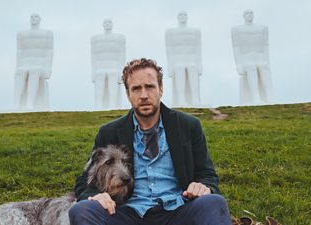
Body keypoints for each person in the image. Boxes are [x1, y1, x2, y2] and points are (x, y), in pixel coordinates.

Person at [69, 58, 232, 225]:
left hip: (178, 212)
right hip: (126, 214)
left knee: (214, 203)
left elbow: (207, 174)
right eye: (136, 89)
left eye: (150, 86)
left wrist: (203, 186)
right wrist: (95, 195)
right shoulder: (109, 132)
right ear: (128, 94)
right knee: (81, 210)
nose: (144, 95)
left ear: (161, 89)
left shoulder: (188, 126)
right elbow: (84, 181)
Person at [231, 9, 272, 105]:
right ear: (243, 16)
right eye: (247, 13)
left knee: (263, 67)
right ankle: (255, 97)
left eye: (251, 13)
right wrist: (238, 64)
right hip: (246, 59)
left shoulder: (263, 28)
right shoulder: (237, 29)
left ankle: (269, 96)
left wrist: (267, 61)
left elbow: (265, 47)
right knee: (251, 67)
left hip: (259, 57)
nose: (249, 15)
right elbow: (236, 47)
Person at [14, 13, 53, 111]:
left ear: (39, 19)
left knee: (34, 71)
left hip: (40, 66)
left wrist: (48, 68)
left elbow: (49, 51)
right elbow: (19, 52)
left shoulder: (47, 33)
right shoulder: (21, 34)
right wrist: (18, 66)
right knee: (20, 72)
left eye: (35, 17)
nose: (33, 19)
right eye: (31, 17)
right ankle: (16, 103)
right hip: (26, 64)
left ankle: (30, 103)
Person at [165, 11, 202, 107]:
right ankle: (181, 99)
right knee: (179, 69)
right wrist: (170, 66)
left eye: (185, 15)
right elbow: (169, 49)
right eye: (181, 15)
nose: (183, 17)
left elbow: (198, 48)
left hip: (191, 60)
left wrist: (200, 64)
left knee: (193, 69)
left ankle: (195, 99)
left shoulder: (195, 31)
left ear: (187, 17)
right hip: (178, 60)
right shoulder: (170, 32)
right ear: (178, 17)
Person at [91, 19, 126, 110]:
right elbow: (93, 56)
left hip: (114, 68)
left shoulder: (119, 38)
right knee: (99, 92)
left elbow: (122, 55)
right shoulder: (95, 39)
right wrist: (93, 71)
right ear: (103, 24)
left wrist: (122, 72)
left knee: (113, 92)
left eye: (109, 22)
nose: (107, 24)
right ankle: (98, 108)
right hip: (100, 68)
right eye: (105, 23)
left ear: (112, 24)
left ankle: (113, 107)